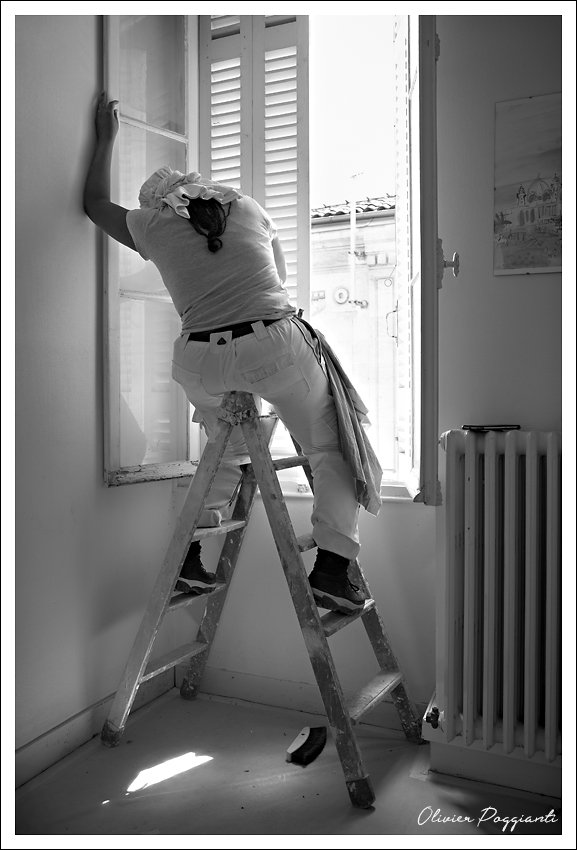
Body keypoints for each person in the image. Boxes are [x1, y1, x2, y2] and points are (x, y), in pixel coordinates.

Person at [84, 93, 377, 614]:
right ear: (201, 188)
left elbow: (94, 205)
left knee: (227, 448)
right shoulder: (247, 207)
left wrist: (105, 139)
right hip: (272, 344)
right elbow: (278, 280)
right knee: (329, 447)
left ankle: (189, 557)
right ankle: (333, 569)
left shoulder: (150, 225)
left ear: (158, 204)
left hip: (199, 360)